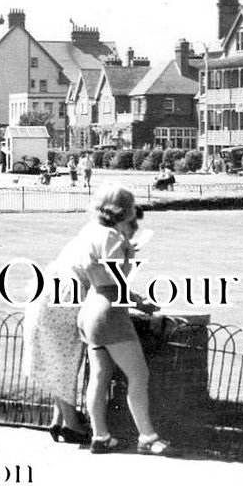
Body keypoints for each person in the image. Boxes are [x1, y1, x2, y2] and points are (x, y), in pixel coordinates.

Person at [76, 185, 170, 454]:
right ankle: (148, 438)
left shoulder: (89, 231)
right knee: (139, 375)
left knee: (100, 375)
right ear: (124, 210)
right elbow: (117, 281)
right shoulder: (112, 237)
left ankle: (101, 436)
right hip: (109, 310)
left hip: (89, 308)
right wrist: (141, 301)